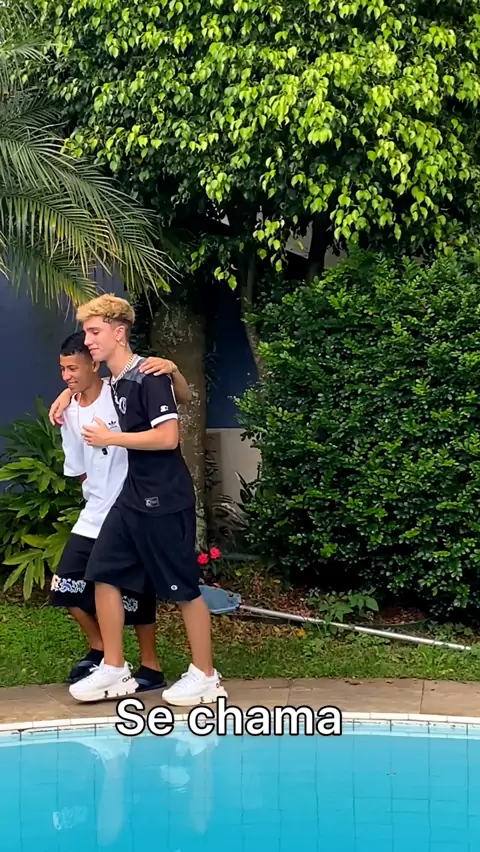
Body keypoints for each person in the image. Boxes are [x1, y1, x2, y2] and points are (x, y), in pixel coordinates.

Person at [57, 293, 226, 706]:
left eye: (94, 332)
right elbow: (180, 397)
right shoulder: (118, 378)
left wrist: (112, 437)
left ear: (118, 333)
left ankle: (205, 675)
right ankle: (114, 667)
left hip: (165, 498)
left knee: (183, 588)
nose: (88, 341)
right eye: (86, 333)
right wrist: (66, 396)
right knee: (103, 571)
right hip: (134, 495)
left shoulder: (147, 375)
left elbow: (168, 437)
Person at [50, 330, 191, 694]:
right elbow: (79, 467)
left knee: (134, 589)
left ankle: (149, 666)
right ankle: (102, 652)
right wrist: (68, 396)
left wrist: (173, 370)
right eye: (62, 370)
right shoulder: (68, 411)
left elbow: (172, 412)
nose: (67, 376)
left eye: (73, 368)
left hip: (132, 504)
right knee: (66, 585)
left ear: (93, 364)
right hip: (96, 511)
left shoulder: (119, 392)